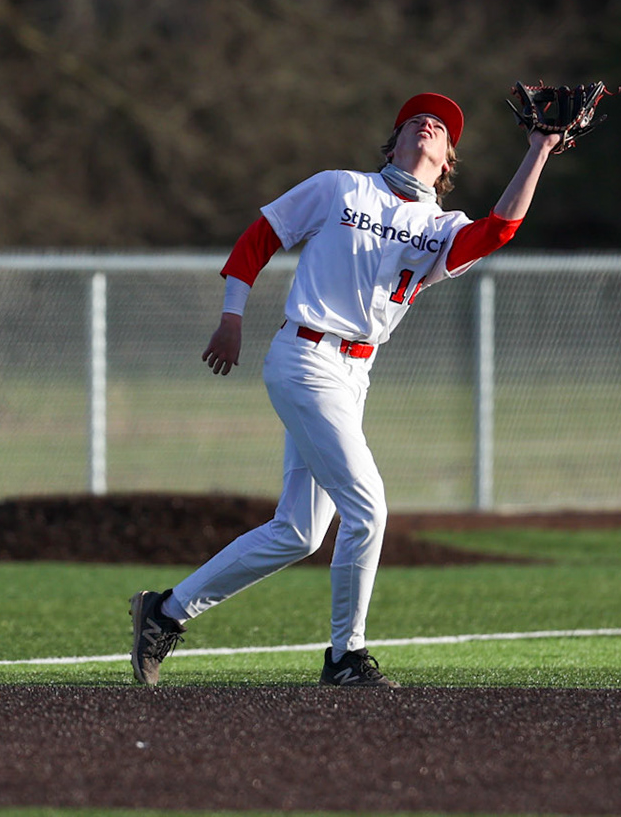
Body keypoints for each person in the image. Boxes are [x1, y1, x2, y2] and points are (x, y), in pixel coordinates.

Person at [129, 91, 566, 688]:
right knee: (368, 507)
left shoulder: (440, 228)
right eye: (416, 120)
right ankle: (345, 657)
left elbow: (500, 228)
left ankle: (166, 611)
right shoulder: (341, 188)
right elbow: (261, 237)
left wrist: (539, 149)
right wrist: (232, 316)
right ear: (394, 141)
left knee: (299, 533)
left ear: (447, 161)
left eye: (440, 128)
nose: (429, 124)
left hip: (354, 374)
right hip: (304, 355)